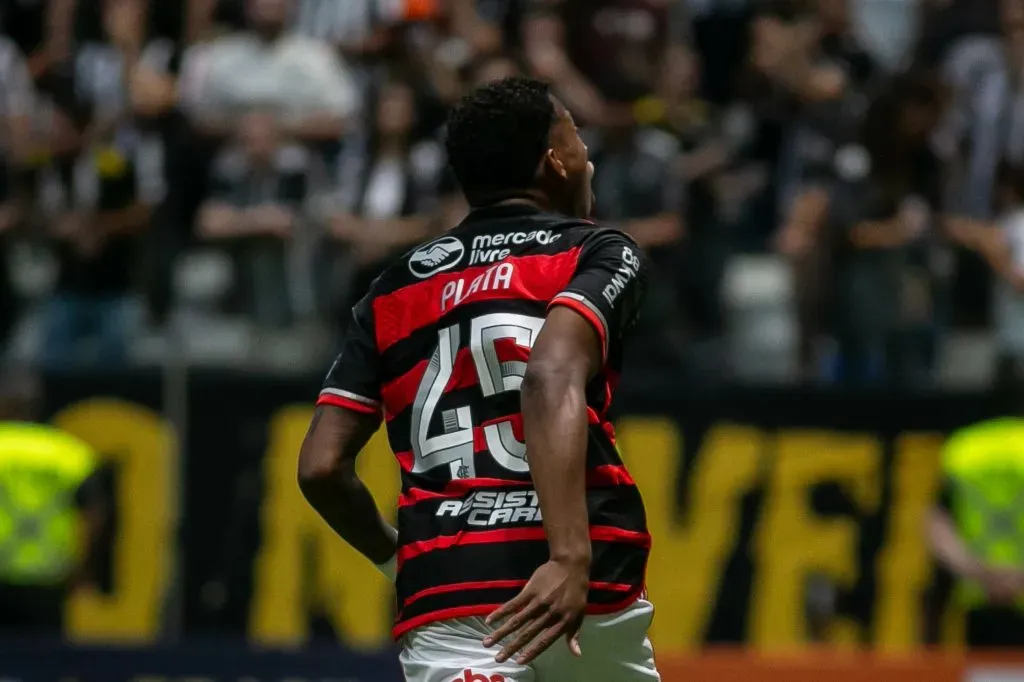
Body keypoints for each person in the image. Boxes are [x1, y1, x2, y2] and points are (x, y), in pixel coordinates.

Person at [298, 76, 658, 681]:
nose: (587, 157)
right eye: (576, 138)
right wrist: (568, 556)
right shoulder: (597, 252)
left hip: (449, 594)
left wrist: (397, 561)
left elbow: (321, 466)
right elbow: (549, 377)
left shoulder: (394, 287)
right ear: (553, 160)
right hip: (584, 585)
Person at [0, 368, 107, 634]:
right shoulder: (68, 453)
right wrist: (81, 566)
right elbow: (94, 514)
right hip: (50, 581)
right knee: (44, 664)